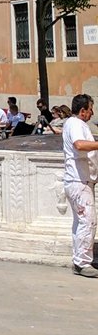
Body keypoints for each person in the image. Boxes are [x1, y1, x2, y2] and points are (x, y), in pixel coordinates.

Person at [62, 92, 98, 277]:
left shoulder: (74, 124)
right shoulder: (76, 124)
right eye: (90, 110)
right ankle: (83, 263)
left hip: (79, 180)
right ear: (83, 110)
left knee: (80, 222)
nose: (92, 113)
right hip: (78, 181)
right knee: (88, 221)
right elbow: (79, 145)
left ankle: (79, 259)